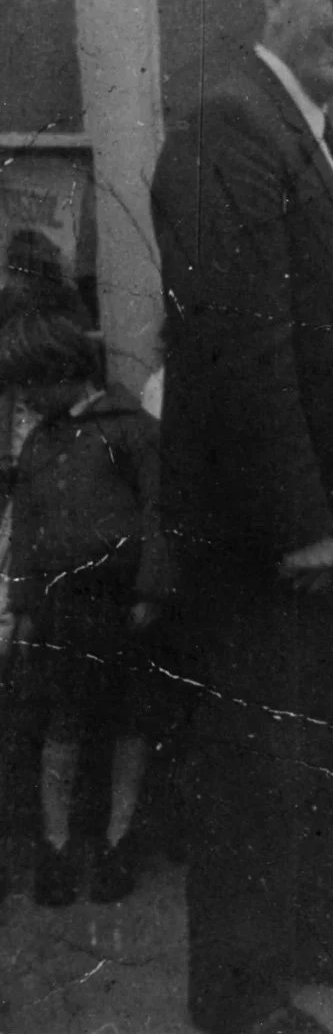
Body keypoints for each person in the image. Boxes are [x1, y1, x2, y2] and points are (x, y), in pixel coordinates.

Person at [150, 0, 333, 1032]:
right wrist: (300, 521)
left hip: (325, 528)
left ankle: (299, 931)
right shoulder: (232, 124)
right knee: (254, 769)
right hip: (267, 534)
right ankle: (239, 1001)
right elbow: (239, 344)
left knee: (308, 748)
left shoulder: (307, 130)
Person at [0, 304, 168, 907]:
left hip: (122, 603)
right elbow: (25, 527)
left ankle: (119, 841)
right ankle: (56, 844)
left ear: (65, 369)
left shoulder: (133, 430)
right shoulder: (39, 443)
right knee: (62, 721)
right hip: (59, 603)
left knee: (128, 721)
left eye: (30, 383)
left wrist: (151, 589)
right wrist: (23, 601)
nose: (23, 398)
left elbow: (159, 514)